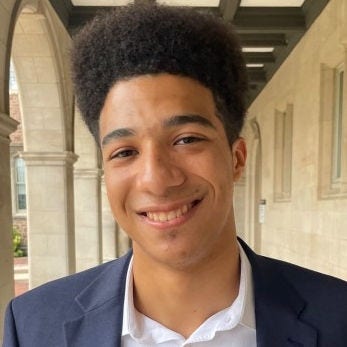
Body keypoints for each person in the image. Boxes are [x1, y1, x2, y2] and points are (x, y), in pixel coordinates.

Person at [3, 3, 347, 347]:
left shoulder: (338, 318)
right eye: (125, 152)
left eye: (186, 140)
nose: (155, 179)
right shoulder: (34, 326)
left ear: (237, 158)